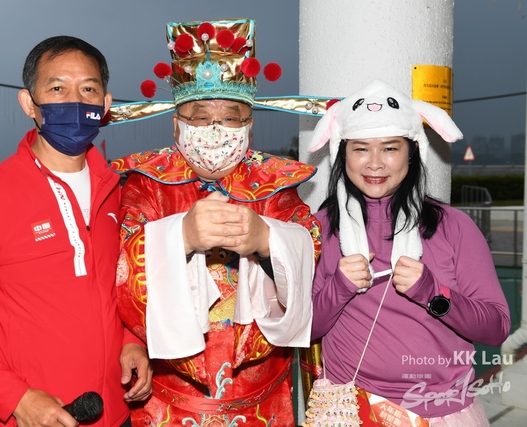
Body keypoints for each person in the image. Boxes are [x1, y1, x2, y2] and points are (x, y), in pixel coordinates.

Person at [0, 35, 152, 427]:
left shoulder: (116, 191)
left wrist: (132, 342)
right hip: (36, 417)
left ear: (106, 104)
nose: (75, 101)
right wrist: (15, 398)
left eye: (88, 89)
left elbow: (121, 284)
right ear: (29, 104)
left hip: (116, 412)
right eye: (57, 89)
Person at [108, 18, 323, 426]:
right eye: (200, 116)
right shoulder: (147, 184)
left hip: (262, 401)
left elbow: (311, 246)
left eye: (231, 117)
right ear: (176, 124)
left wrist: (268, 240)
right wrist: (181, 236)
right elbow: (118, 265)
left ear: (250, 126)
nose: (215, 130)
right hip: (169, 401)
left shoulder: (273, 184)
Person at [306, 80, 511, 426]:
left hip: (442, 412)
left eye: (390, 148)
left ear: (412, 151)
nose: (375, 164)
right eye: (360, 149)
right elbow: (304, 329)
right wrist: (339, 287)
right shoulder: (320, 227)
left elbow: (496, 328)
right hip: (349, 410)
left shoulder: (454, 227)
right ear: (341, 152)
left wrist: (434, 294)